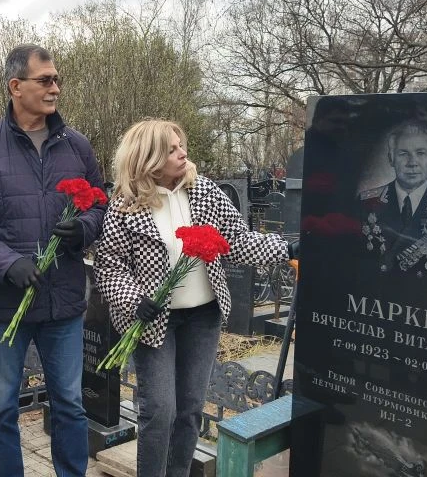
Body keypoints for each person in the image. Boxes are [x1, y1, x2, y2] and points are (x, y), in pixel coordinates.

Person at [93, 119, 292, 477]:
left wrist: (286, 248)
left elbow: (237, 241)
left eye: (181, 145)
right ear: (149, 157)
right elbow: (110, 265)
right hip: (153, 321)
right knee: (159, 410)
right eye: (171, 149)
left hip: (202, 318)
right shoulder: (126, 205)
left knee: (190, 409)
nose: (182, 153)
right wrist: (134, 298)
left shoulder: (205, 192)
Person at [0, 44, 105, 477]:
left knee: (70, 404)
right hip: (6, 305)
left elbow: (100, 204)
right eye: (45, 80)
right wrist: (7, 263)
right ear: (16, 86)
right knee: (1, 407)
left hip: (63, 303)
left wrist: (83, 228)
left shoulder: (76, 145)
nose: (55, 88)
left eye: (57, 79)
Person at [357, 120, 427, 277]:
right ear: (391, 158)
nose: (412, 163)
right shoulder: (366, 203)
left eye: (420, 153)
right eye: (403, 154)